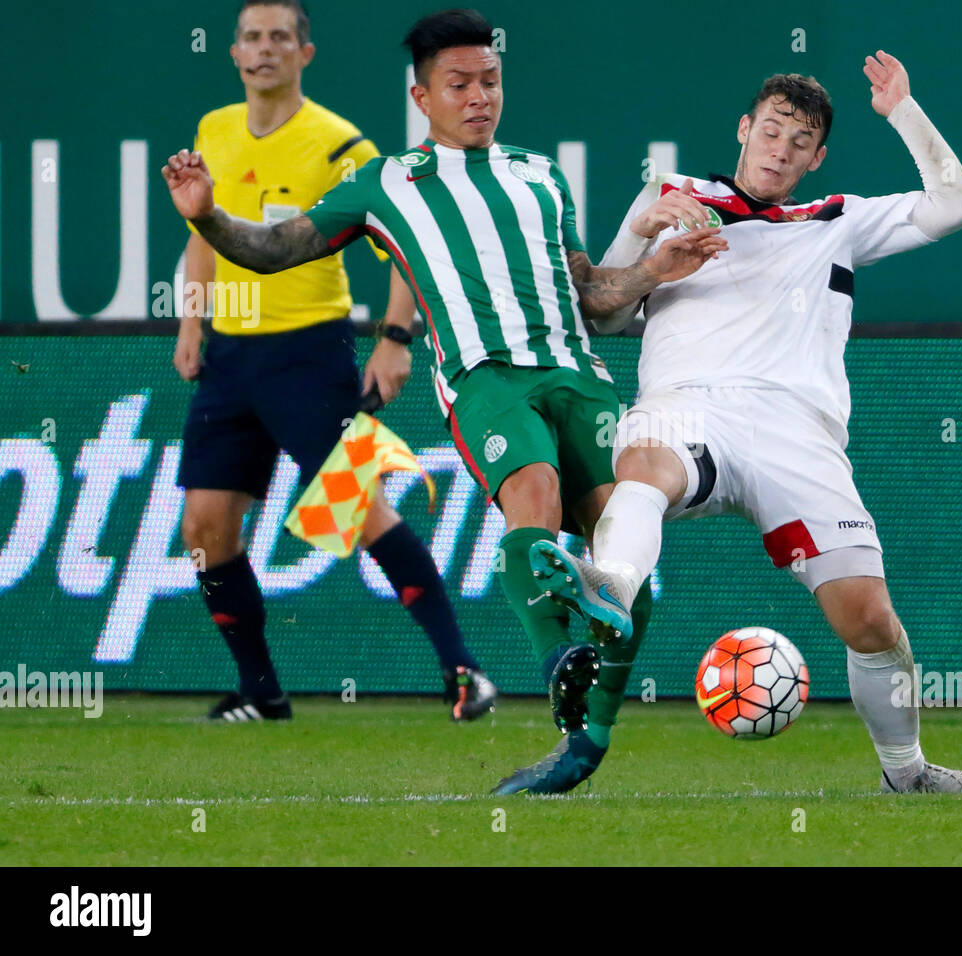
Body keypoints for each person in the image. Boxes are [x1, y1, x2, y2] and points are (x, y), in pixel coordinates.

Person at [161, 9, 725, 783]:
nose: (479, 97)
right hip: (484, 378)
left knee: (624, 547)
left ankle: (585, 743)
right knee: (534, 492)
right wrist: (211, 219)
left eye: (489, 81)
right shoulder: (384, 183)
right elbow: (277, 248)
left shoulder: (541, 176)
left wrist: (655, 271)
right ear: (422, 96)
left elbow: (591, 291)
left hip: (577, 374)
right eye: (459, 84)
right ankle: (558, 659)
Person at [531, 57, 962, 793]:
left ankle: (906, 774)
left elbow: (957, 205)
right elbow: (604, 311)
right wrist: (642, 240)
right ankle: (611, 591)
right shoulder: (671, 198)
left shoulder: (836, 222)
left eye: (800, 141)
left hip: (798, 431)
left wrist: (904, 112)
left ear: (817, 159)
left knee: (871, 621)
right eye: (772, 132)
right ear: (744, 130)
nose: (781, 151)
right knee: (648, 467)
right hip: (689, 402)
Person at [173, 0, 495, 723]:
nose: (264, 50)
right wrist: (191, 322)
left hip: (307, 353)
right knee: (204, 528)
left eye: (279, 37)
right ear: (233, 53)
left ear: (304, 53)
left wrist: (393, 338)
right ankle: (263, 693)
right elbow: (205, 231)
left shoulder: (339, 144)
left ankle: (463, 670)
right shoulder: (214, 130)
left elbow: (400, 242)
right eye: (251, 38)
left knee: (358, 510)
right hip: (228, 359)